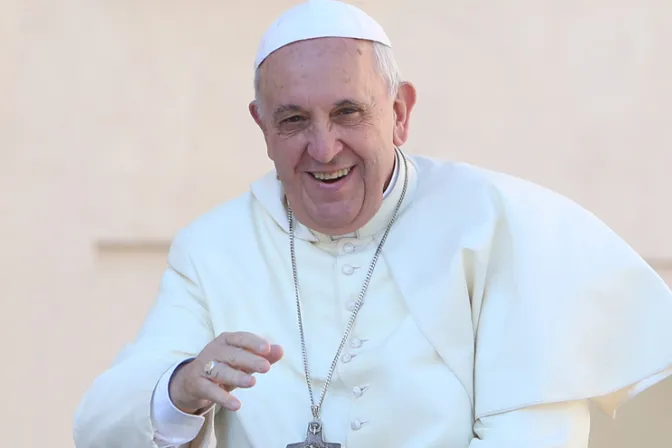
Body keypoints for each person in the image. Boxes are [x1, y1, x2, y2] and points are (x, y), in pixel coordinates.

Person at [73, 1, 672, 447]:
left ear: (400, 112)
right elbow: (99, 424)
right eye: (293, 121)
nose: (324, 147)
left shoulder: (498, 225)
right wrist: (179, 388)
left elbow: (533, 434)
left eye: (347, 113)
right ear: (261, 128)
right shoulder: (213, 248)